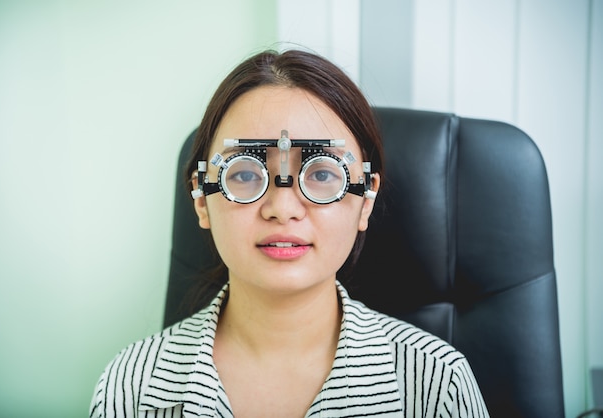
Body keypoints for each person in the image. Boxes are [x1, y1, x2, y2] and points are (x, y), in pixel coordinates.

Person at [89, 49, 489, 418]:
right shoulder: (130, 388)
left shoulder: (438, 384)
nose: (282, 209)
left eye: (320, 174)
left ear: (366, 200)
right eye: (244, 173)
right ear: (200, 199)